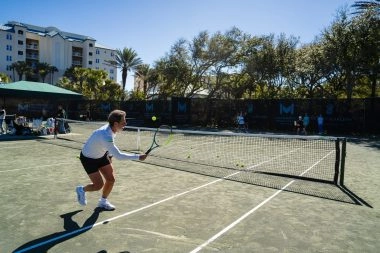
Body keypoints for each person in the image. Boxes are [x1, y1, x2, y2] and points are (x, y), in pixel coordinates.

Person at [76, 110, 147, 211]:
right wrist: (138, 157)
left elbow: (108, 146)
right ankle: (81, 190)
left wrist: (109, 155)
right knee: (98, 185)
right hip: (88, 158)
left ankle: (103, 201)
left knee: (111, 179)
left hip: (101, 155)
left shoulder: (113, 129)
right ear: (116, 123)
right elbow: (119, 156)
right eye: (123, 121)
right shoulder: (105, 134)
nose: (125, 123)